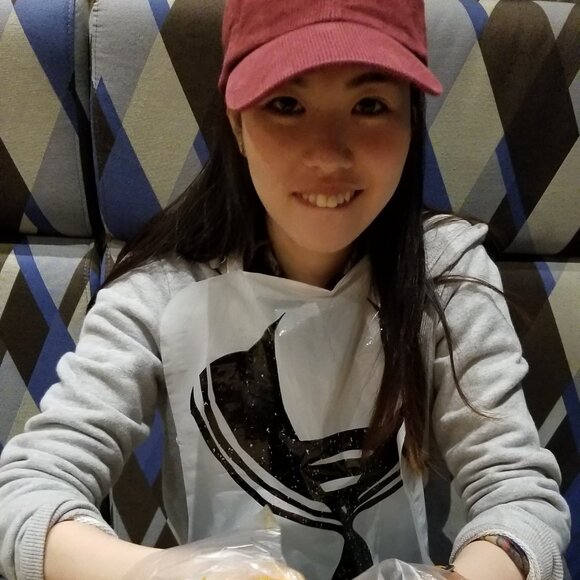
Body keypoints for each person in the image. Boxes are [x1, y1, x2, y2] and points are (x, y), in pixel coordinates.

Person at [0, 0, 571, 579]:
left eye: (369, 105)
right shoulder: (164, 289)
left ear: (410, 120)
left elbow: (521, 500)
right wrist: (180, 574)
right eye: (286, 104)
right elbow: (27, 494)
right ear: (237, 123)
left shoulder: (445, 269)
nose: (327, 154)